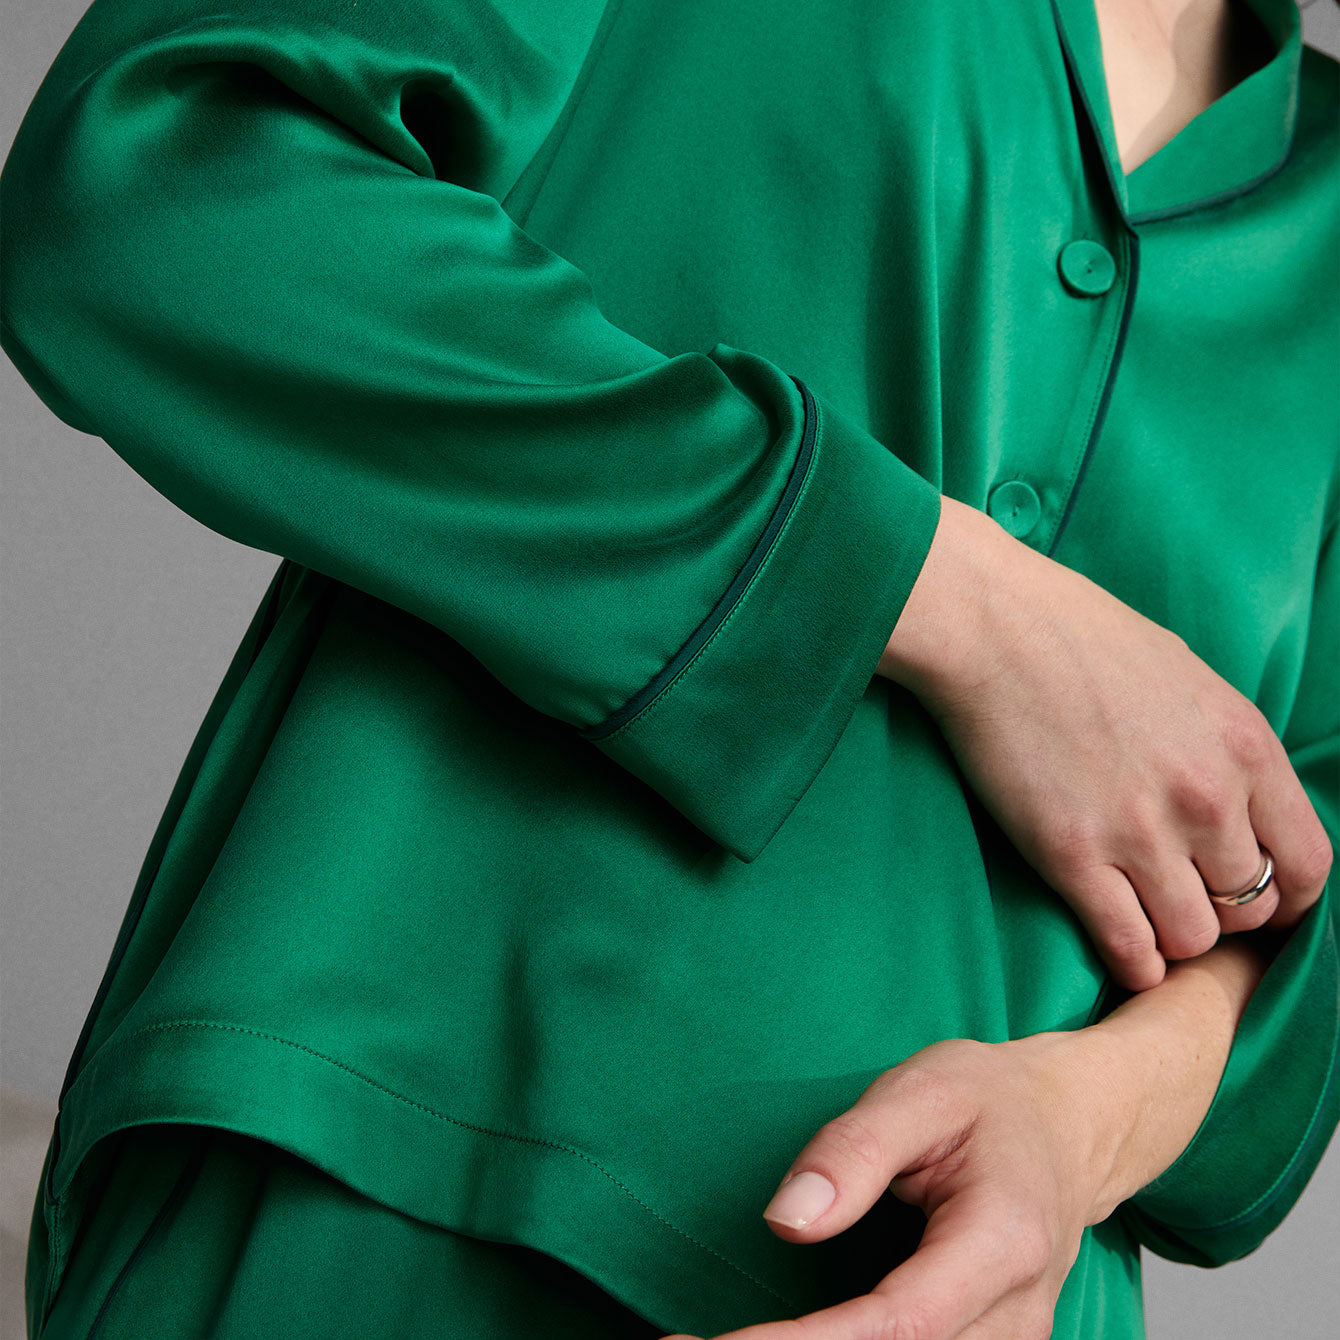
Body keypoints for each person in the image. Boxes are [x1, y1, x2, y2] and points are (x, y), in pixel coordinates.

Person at [1, 0, 1336, 1336]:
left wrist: (1083, 1123)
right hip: (376, 1181)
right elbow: (161, 174)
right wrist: (952, 600)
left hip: (980, 1299)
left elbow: (1312, 882)